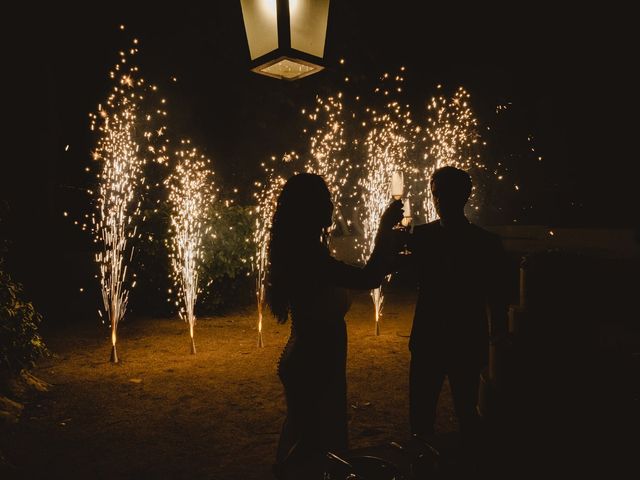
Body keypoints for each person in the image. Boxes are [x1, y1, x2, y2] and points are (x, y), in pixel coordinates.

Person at [267, 173, 403, 478]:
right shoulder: (308, 257)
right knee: (310, 444)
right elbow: (367, 278)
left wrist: (386, 259)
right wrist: (383, 228)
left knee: (305, 436)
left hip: (309, 355)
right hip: (313, 358)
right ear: (310, 209)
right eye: (325, 200)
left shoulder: (304, 251)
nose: (332, 205)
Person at [403, 166, 509, 443]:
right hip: (440, 339)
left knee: (466, 414)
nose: (439, 201)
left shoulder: (482, 243)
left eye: (445, 195)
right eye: (436, 195)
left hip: (459, 340)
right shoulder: (423, 237)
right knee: (423, 419)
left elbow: (498, 296)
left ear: (464, 196)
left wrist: (498, 333)